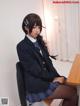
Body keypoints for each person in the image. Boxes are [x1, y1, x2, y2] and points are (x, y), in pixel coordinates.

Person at [17, 13, 78, 106]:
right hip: (37, 86)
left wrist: (57, 76)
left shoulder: (39, 41)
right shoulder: (22, 46)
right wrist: (54, 79)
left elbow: (49, 63)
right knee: (72, 94)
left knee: (74, 87)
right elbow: (36, 71)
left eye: (39, 27)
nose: (38, 31)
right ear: (26, 28)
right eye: (34, 27)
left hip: (46, 79)